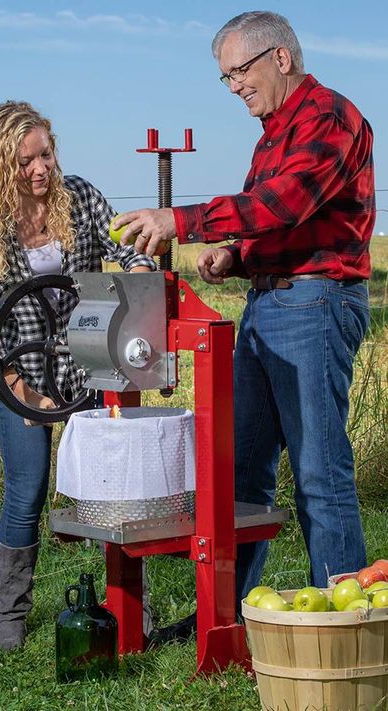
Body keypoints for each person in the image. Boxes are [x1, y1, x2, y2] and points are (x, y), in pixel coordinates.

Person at [113, 11, 374, 614]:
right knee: (239, 472)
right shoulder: (273, 133)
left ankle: (346, 623)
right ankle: (222, 618)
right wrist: (235, 256)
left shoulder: (331, 117)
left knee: (319, 473)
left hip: (315, 303)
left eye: (238, 72)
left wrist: (180, 220)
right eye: (225, 78)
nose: (233, 88)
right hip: (269, 302)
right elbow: (276, 219)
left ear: (280, 57)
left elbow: (282, 203)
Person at [0, 100, 156, 650]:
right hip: (19, 377)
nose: (41, 168)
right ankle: (10, 620)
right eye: (26, 161)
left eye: (46, 154)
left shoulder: (82, 197)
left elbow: (126, 245)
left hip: (87, 369)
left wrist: (139, 272)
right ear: (1, 165)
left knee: (104, 490)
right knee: (26, 490)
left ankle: (123, 609)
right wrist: (25, 395)